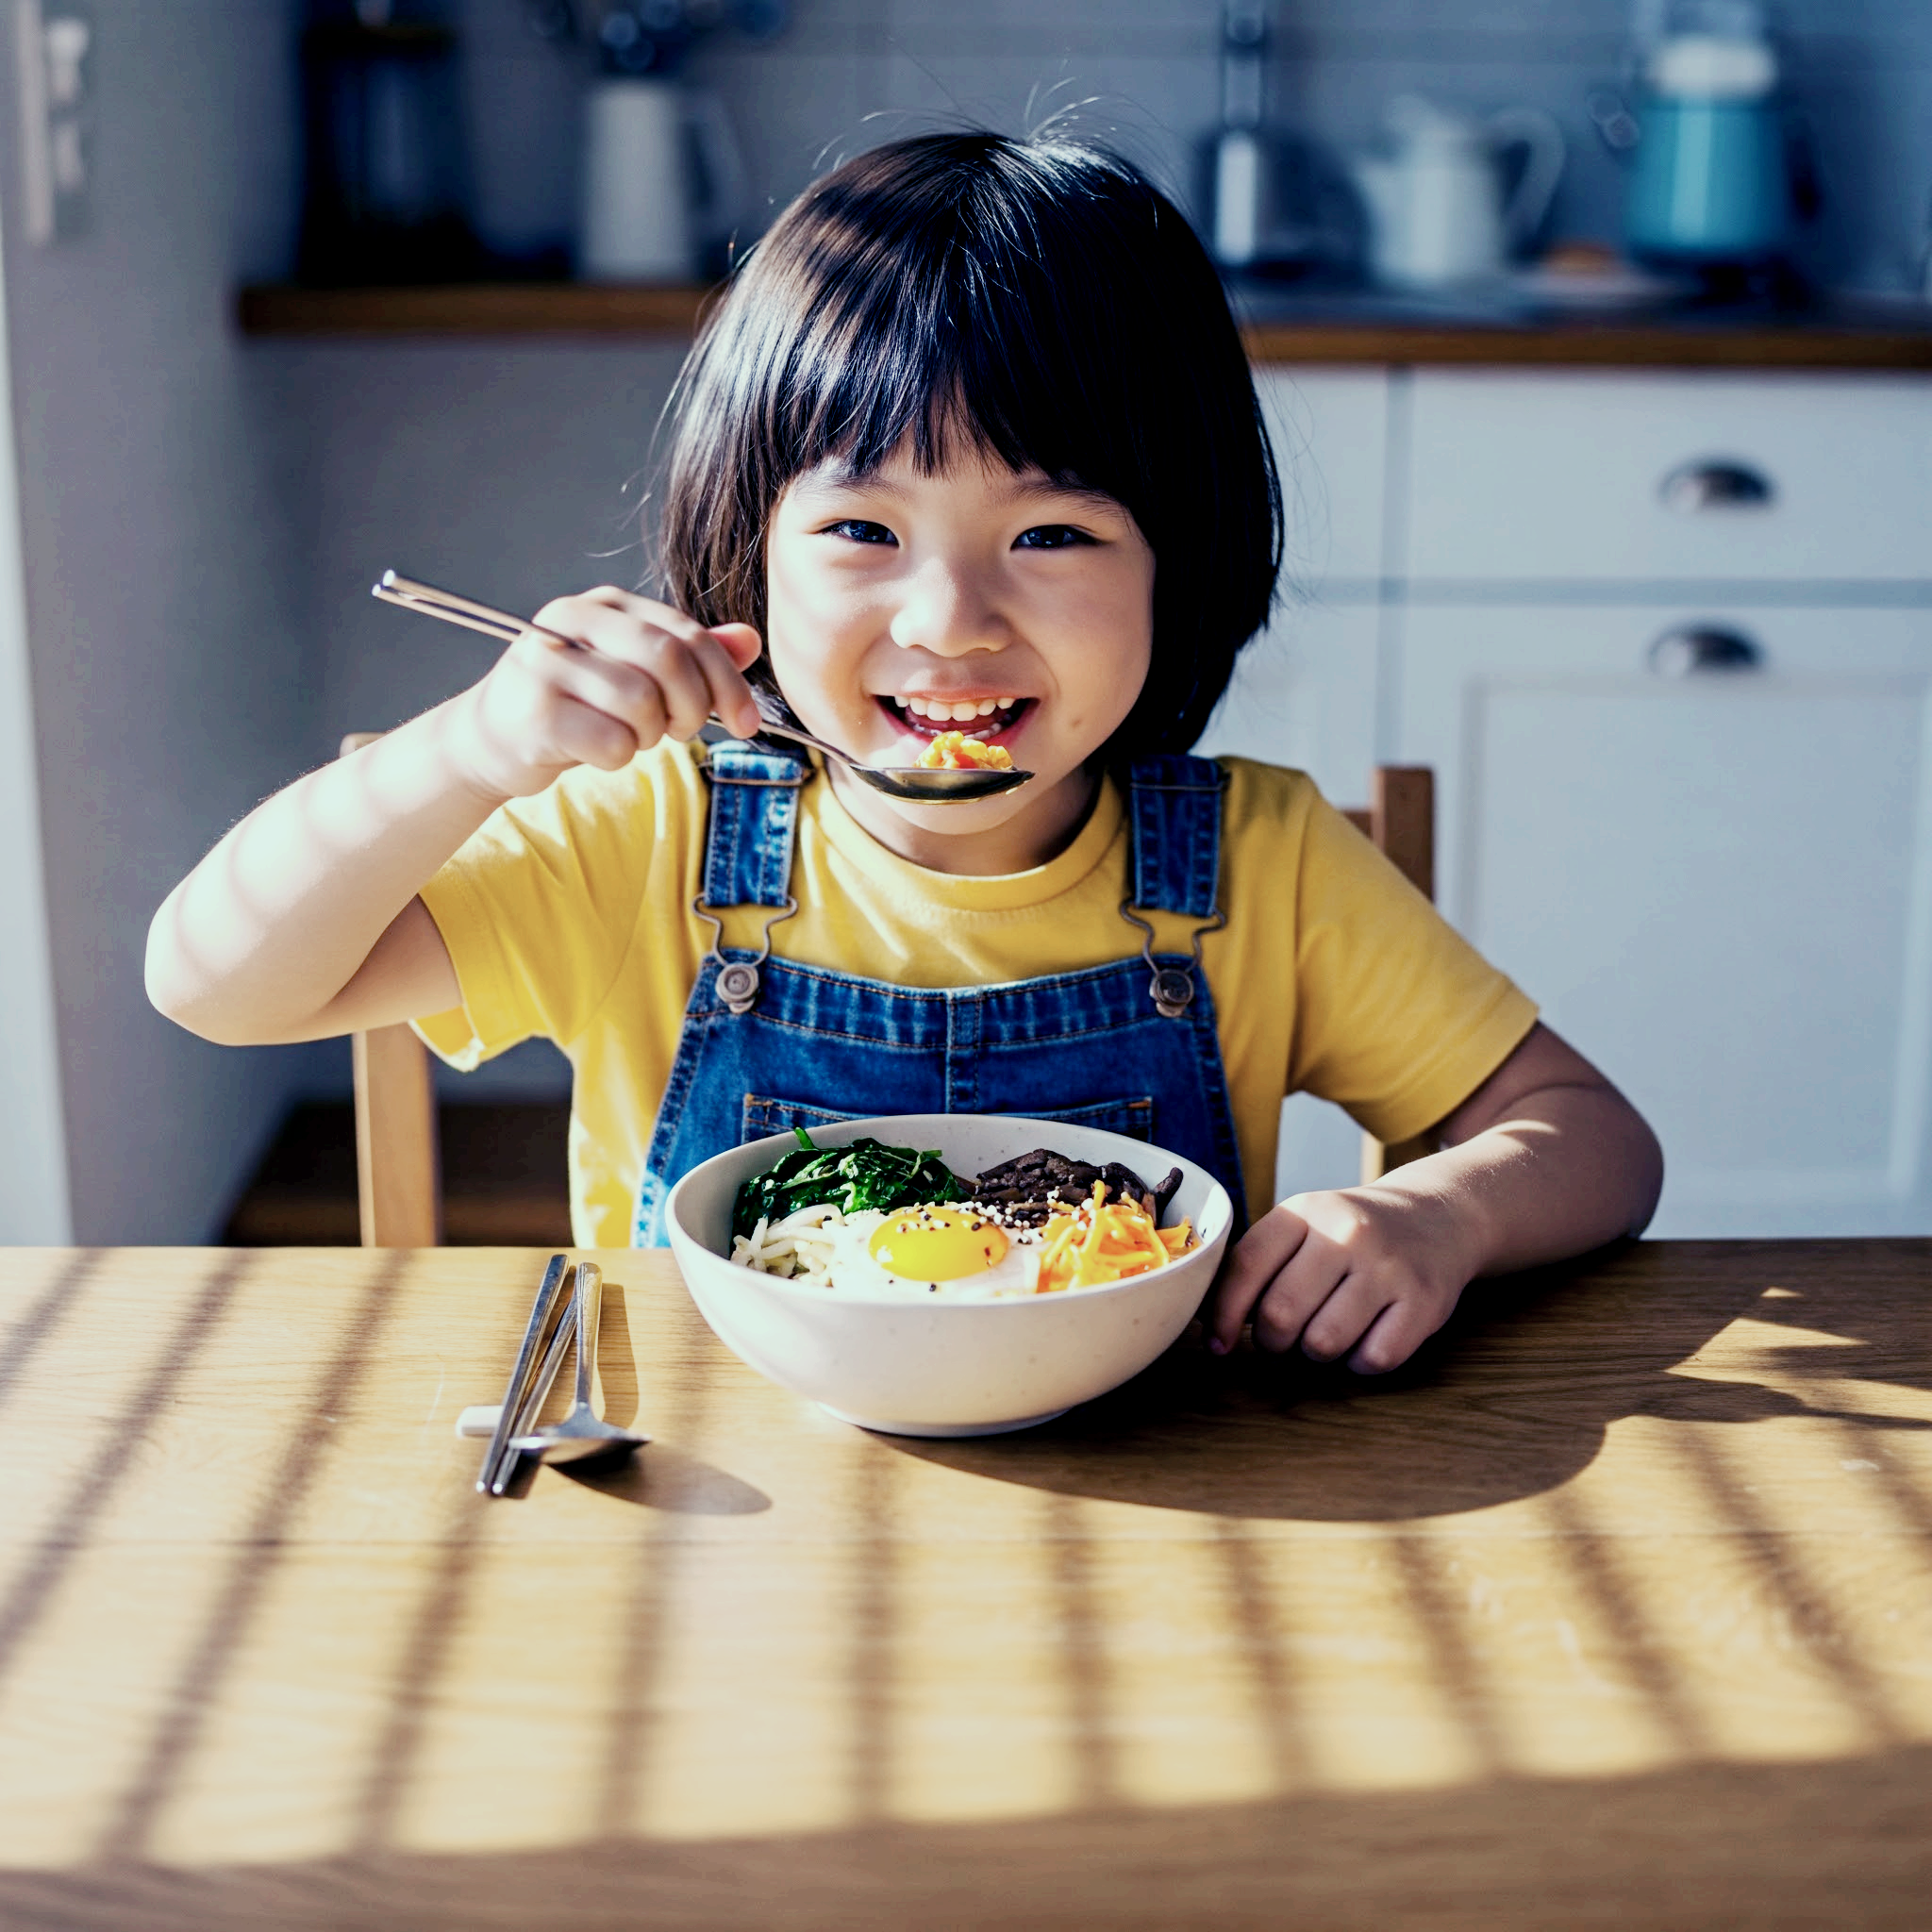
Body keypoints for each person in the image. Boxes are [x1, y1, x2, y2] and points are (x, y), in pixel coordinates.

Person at [146, 132, 1661, 1374]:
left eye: (1053, 533)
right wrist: (469, 753)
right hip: (710, 1505)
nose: (951, 622)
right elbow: (215, 982)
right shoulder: (644, 833)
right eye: (862, 531)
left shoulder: (1262, 866)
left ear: (1180, 568)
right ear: (749, 557)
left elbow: (1593, 1139)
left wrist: (1439, 1218)